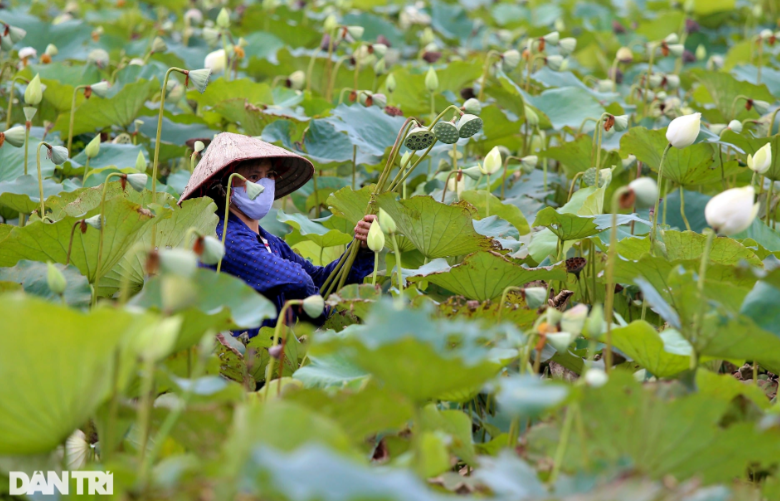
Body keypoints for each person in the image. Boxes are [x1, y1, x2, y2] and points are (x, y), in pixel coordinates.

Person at [179, 133, 376, 337]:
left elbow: (320, 281)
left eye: (270, 174)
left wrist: (360, 249)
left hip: (272, 359)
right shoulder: (223, 237)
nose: (265, 184)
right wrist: (321, 316)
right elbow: (298, 280)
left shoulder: (269, 242)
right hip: (235, 360)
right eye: (254, 177)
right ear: (224, 187)